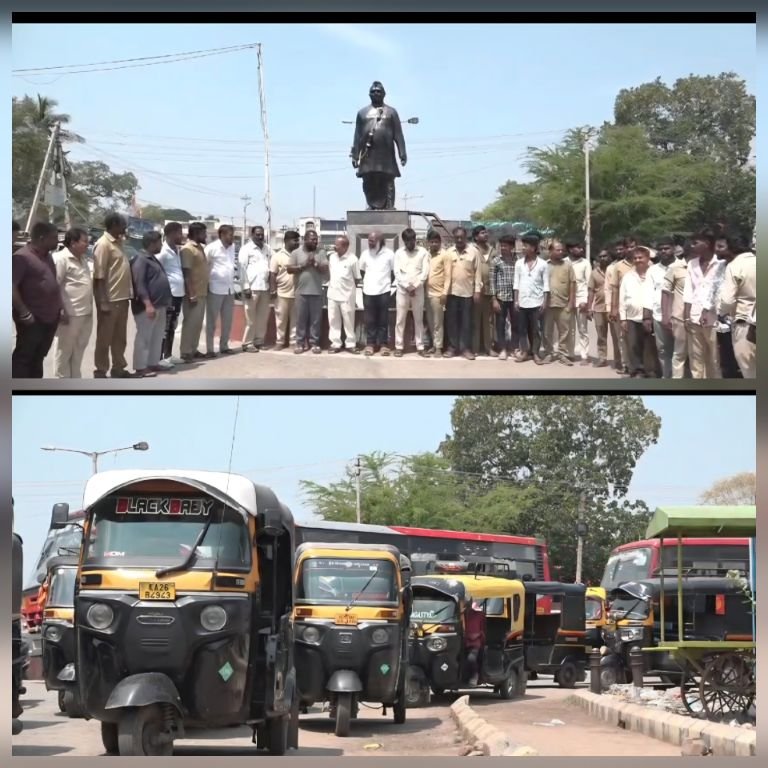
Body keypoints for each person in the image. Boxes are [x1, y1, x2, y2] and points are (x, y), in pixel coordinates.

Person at [12, 221, 63, 378]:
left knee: (38, 358)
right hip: (32, 319)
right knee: (24, 359)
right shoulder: (22, 257)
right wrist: (24, 312)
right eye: (54, 237)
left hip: (49, 319)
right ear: (42, 238)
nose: (57, 241)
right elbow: (10, 286)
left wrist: (59, 309)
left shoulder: (47, 257)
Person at [350, 81, 407, 210]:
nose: (376, 93)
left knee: (388, 180)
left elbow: (398, 134)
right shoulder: (362, 113)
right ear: (369, 94)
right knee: (368, 180)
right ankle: (371, 205)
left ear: (384, 94)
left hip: (386, 153)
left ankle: (389, 206)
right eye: (373, 91)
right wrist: (355, 155)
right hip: (368, 154)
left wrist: (402, 152)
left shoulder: (391, 112)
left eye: (379, 91)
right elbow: (357, 136)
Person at [92, 213, 132, 378]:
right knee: (104, 338)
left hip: (122, 298)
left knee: (120, 338)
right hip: (109, 299)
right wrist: (102, 301)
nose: (125, 228)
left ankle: (118, 368)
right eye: (123, 225)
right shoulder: (103, 244)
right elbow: (99, 275)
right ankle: (101, 370)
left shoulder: (119, 242)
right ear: (114, 224)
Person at [683, 228, 726, 379]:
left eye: (695, 243)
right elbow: (688, 291)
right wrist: (687, 316)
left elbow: (720, 291)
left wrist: (710, 311)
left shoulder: (721, 263)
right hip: (694, 316)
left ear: (707, 243)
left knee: (715, 358)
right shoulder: (692, 264)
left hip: (714, 318)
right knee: (696, 358)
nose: (692, 246)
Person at [52, 227, 93, 378]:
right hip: (69, 315)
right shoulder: (61, 259)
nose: (87, 245)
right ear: (73, 242)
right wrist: (60, 310)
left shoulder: (83, 260)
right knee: (63, 352)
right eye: (85, 242)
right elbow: (54, 287)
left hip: (85, 313)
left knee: (78, 350)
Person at [131, 231, 172, 377]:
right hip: (147, 306)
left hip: (159, 305)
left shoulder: (152, 259)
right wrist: (148, 304)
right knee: (144, 337)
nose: (161, 245)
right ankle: (140, 367)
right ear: (152, 243)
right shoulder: (141, 259)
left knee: (157, 336)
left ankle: (153, 363)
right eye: (159, 242)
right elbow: (139, 284)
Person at [719, 236, 756, 378]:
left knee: (750, 372)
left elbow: (727, 301)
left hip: (745, 324)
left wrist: (721, 313)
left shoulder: (734, 266)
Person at [444, 227, 482, 360]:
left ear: (466, 237)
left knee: (466, 322)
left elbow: (478, 273)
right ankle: (453, 347)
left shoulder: (474, 252)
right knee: (452, 322)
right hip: (451, 293)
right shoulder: (449, 252)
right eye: (457, 237)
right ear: (453, 238)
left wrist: (477, 291)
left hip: (467, 293)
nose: (459, 240)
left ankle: (466, 349)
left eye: (462, 237)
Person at [620, 246, 657, 378]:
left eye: (640, 257)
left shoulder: (654, 273)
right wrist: (623, 318)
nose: (637, 260)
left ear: (647, 258)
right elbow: (622, 298)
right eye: (635, 258)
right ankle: (637, 370)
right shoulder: (628, 276)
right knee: (634, 345)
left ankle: (651, 370)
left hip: (651, 316)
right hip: (632, 317)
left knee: (650, 345)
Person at [712, 235, 746, 379]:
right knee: (726, 357)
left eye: (721, 247)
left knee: (743, 358)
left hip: (740, 319)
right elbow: (714, 289)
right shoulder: (719, 266)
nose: (716, 250)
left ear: (731, 249)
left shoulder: (743, 266)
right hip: (721, 321)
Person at [290, 229, 329, 354]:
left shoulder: (321, 252)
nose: (315, 241)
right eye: (312, 239)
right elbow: (289, 269)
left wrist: (316, 264)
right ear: (305, 239)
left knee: (316, 320)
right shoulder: (296, 252)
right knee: (301, 319)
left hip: (317, 291)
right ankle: (300, 343)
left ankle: (314, 343)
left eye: (316, 239)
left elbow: (325, 269)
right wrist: (304, 265)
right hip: (301, 292)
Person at [513, 233, 549, 364]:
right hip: (522, 302)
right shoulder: (518, 263)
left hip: (537, 302)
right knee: (522, 329)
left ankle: (535, 353)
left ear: (533, 248)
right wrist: (516, 301)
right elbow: (516, 283)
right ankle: (524, 352)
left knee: (536, 330)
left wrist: (545, 302)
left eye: (525, 245)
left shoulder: (543, 264)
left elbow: (546, 285)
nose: (523, 248)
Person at [645, 236, 678, 379]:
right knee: (663, 350)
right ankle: (667, 377)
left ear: (674, 249)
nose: (664, 251)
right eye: (661, 249)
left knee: (681, 351)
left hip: (680, 316)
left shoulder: (684, 266)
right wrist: (646, 316)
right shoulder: (653, 270)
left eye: (667, 248)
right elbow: (647, 293)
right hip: (658, 316)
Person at [394, 227, 429, 357]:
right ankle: (399, 346)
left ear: (415, 239)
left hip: (418, 290)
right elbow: (397, 273)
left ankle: (420, 347)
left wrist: (414, 286)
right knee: (400, 319)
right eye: (407, 241)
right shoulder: (398, 253)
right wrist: (406, 286)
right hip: (402, 291)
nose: (410, 243)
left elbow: (425, 272)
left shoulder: (423, 252)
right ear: (404, 241)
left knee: (418, 319)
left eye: (412, 240)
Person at [359, 231, 395, 356]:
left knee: (383, 319)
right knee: (370, 320)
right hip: (368, 291)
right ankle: (370, 344)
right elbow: (362, 272)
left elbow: (393, 273)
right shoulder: (365, 254)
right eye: (369, 240)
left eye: (372, 240)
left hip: (384, 291)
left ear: (380, 241)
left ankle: (384, 345)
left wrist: (385, 284)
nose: (369, 242)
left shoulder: (389, 254)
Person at [238, 225, 272, 352]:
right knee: (251, 318)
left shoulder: (267, 248)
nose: (260, 236)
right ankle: (247, 343)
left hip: (265, 287)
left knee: (263, 317)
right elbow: (241, 269)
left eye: (262, 234)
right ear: (252, 235)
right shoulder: (246, 249)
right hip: (252, 288)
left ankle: (259, 341)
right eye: (257, 234)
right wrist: (245, 287)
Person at [204, 224, 237, 357]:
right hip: (215, 289)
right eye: (230, 235)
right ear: (222, 235)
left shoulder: (232, 247)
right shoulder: (211, 248)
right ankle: (210, 349)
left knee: (227, 320)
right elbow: (205, 266)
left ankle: (224, 346)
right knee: (212, 321)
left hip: (229, 289)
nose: (232, 238)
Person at [157, 222, 185, 368]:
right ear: (171, 234)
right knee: (165, 327)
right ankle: (160, 357)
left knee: (173, 325)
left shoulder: (177, 250)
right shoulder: (162, 252)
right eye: (179, 233)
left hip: (178, 294)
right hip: (169, 295)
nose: (181, 235)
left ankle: (168, 355)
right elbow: (156, 271)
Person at [179, 222, 209, 363]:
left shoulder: (200, 248)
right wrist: (191, 293)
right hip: (193, 292)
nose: (206, 235)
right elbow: (187, 273)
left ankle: (193, 349)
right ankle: (185, 352)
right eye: (203, 233)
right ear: (196, 234)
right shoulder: (188, 249)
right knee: (190, 323)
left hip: (202, 292)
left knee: (197, 324)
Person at [543, 240, 575, 366]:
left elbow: (573, 283)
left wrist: (571, 302)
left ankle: (563, 355)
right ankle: (549, 353)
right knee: (547, 332)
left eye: (562, 250)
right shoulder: (544, 265)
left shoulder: (567, 265)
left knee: (564, 332)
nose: (560, 252)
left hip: (564, 304)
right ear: (550, 251)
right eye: (557, 250)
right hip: (548, 305)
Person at [327, 235, 361, 353]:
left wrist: (350, 292)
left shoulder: (353, 259)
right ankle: (335, 343)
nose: (335, 247)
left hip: (346, 296)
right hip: (332, 294)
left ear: (345, 246)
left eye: (337, 245)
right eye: (335, 244)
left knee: (349, 321)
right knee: (333, 320)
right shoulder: (332, 257)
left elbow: (357, 278)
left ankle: (350, 344)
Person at [661, 243, 691, 379]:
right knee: (679, 353)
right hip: (679, 318)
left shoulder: (710, 268)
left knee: (699, 355)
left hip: (701, 318)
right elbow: (666, 292)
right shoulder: (675, 268)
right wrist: (666, 316)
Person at [608, 237, 637, 375]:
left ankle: (642, 367)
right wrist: (613, 309)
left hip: (642, 308)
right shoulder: (618, 267)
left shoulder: (646, 263)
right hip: (623, 308)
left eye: (634, 246)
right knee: (623, 338)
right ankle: (627, 365)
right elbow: (614, 289)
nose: (631, 250)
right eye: (629, 247)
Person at [270, 229, 300, 350]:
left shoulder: (299, 255)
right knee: (281, 320)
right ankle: (280, 341)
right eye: (295, 240)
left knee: (295, 320)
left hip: (296, 293)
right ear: (287, 241)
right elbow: (272, 274)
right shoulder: (277, 256)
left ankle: (293, 341)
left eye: (298, 240)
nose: (297, 243)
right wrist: (273, 289)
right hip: (281, 293)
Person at [490, 235, 518, 360]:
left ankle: (513, 348)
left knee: (516, 324)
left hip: (515, 298)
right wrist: (494, 299)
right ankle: (502, 349)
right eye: (501, 245)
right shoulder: (496, 261)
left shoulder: (517, 260)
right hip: (501, 297)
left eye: (505, 246)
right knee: (500, 325)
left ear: (512, 247)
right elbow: (492, 281)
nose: (502, 248)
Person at [471, 225, 496, 357]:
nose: (485, 234)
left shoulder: (493, 250)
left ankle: (488, 348)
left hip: (489, 291)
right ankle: (475, 348)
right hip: (475, 291)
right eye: (482, 233)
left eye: (486, 232)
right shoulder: (472, 249)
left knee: (489, 322)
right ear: (476, 237)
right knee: (475, 320)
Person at [566, 239, 592, 364]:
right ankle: (570, 354)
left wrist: (586, 301)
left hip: (581, 299)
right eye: (578, 247)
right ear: (571, 249)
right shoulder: (564, 262)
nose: (581, 250)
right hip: (567, 300)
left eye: (582, 248)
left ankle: (584, 356)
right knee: (569, 329)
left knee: (582, 329)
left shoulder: (585, 263)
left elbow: (589, 283)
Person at [424, 230, 448, 356]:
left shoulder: (444, 255)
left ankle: (439, 347)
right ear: (428, 243)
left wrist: (445, 292)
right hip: (426, 293)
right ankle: (434, 344)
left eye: (436, 242)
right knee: (430, 321)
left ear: (440, 242)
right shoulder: (426, 255)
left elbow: (448, 275)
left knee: (438, 322)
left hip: (438, 294)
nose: (434, 244)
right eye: (432, 242)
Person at [587, 249, 610, 367]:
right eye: (600, 256)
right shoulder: (594, 273)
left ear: (609, 257)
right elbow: (591, 291)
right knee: (601, 335)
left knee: (618, 336)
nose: (602, 258)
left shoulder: (613, 269)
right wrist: (589, 308)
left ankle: (622, 361)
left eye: (605, 256)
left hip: (613, 307)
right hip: (599, 308)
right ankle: (602, 358)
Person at [464, 601, 486, 687]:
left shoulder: (480, 615)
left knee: (471, 658)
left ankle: (474, 676)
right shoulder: (463, 614)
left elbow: (483, 628)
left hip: (475, 641)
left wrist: (478, 635)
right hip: (462, 639)